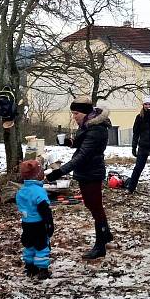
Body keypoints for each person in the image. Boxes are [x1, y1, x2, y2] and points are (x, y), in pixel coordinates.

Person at [46, 98, 114, 259]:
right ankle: (106, 234)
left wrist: (59, 172)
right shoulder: (88, 124)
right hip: (87, 170)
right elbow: (82, 144)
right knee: (93, 205)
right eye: (73, 113)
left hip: (91, 171)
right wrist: (70, 142)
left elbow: (83, 155)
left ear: (85, 112)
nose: (74, 116)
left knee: (95, 207)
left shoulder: (96, 129)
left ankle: (100, 246)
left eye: (76, 113)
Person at [16, 159, 53, 280]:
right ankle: (42, 269)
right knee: (42, 245)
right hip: (39, 224)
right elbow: (44, 209)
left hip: (26, 224)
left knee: (29, 244)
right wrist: (49, 223)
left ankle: (30, 266)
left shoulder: (21, 191)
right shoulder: (39, 191)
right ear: (38, 175)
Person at [126, 96, 150, 194]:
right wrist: (134, 147)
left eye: (149, 104)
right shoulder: (139, 117)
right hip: (143, 145)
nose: (147, 106)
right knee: (138, 167)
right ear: (143, 105)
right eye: (146, 104)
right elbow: (136, 133)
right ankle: (131, 187)